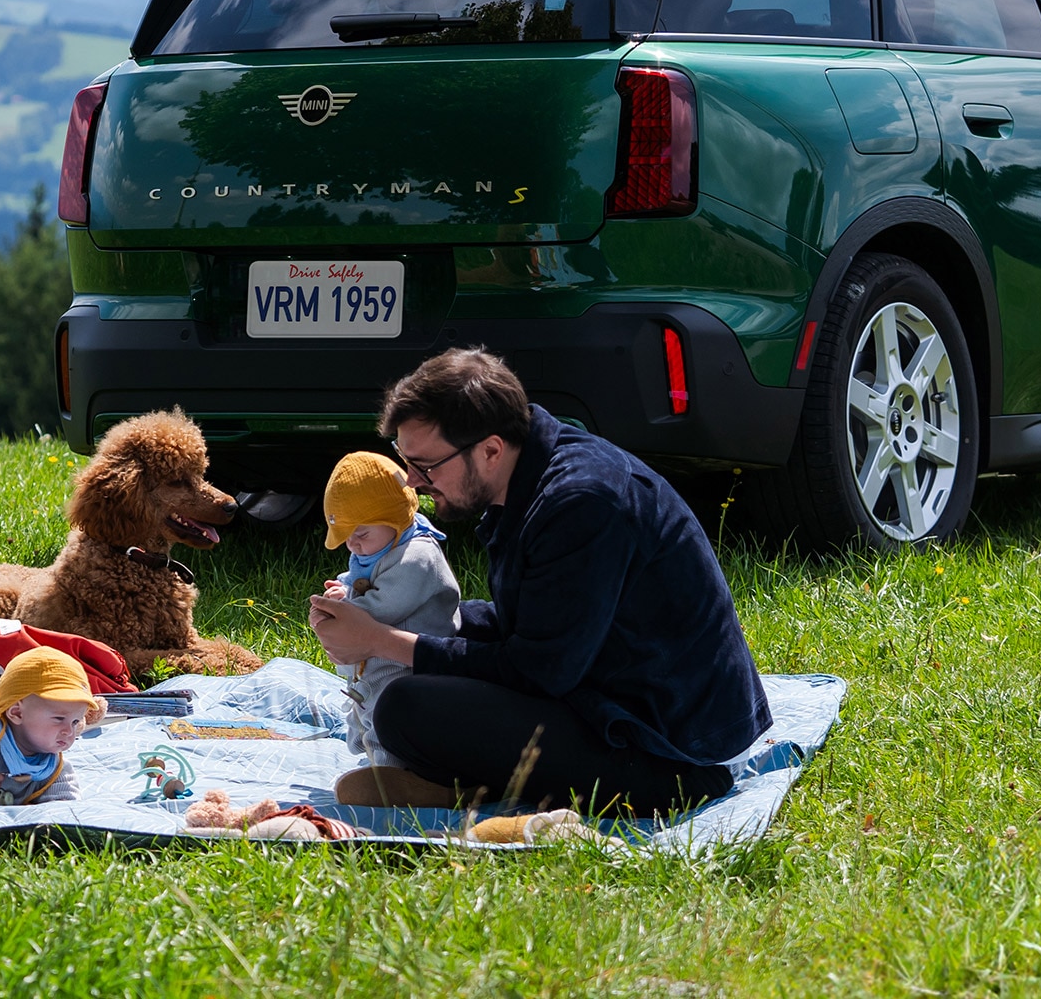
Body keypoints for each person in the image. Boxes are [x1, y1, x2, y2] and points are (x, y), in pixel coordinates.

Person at [309, 348, 771, 815]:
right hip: (606, 687)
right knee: (444, 627)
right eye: (404, 460)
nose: (411, 481)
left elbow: (537, 670)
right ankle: (466, 781)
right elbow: (535, 624)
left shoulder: (582, 503)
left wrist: (378, 639)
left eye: (425, 465)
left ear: (490, 449)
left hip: (669, 754)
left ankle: (467, 784)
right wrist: (390, 614)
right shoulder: (528, 473)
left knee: (404, 707)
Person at [318, 450, 460, 766]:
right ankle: (370, 760)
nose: (352, 545)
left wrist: (344, 611)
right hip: (377, 658)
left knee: (387, 709)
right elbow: (358, 580)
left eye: (361, 533)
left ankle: (392, 770)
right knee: (364, 708)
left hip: (407, 662)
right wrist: (343, 592)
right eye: (346, 538)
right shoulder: (379, 547)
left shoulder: (417, 556)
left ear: (395, 519)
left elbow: (384, 606)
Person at [0, 646, 107, 805]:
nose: (69, 731)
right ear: (17, 713)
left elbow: (65, 812)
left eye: (76, 721)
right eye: (59, 718)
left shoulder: (54, 768)